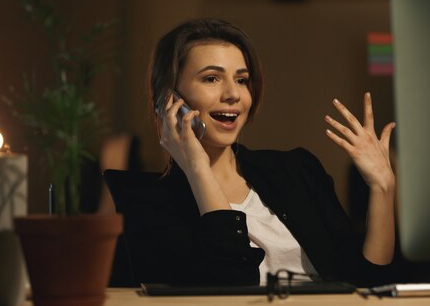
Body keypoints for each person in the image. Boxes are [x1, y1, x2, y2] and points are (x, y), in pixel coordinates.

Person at [141, 18, 396, 287]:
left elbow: (367, 283)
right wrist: (198, 170)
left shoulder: (297, 170)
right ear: (169, 98)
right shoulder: (153, 205)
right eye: (211, 78)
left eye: (242, 80)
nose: (233, 94)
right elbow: (233, 287)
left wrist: (383, 187)